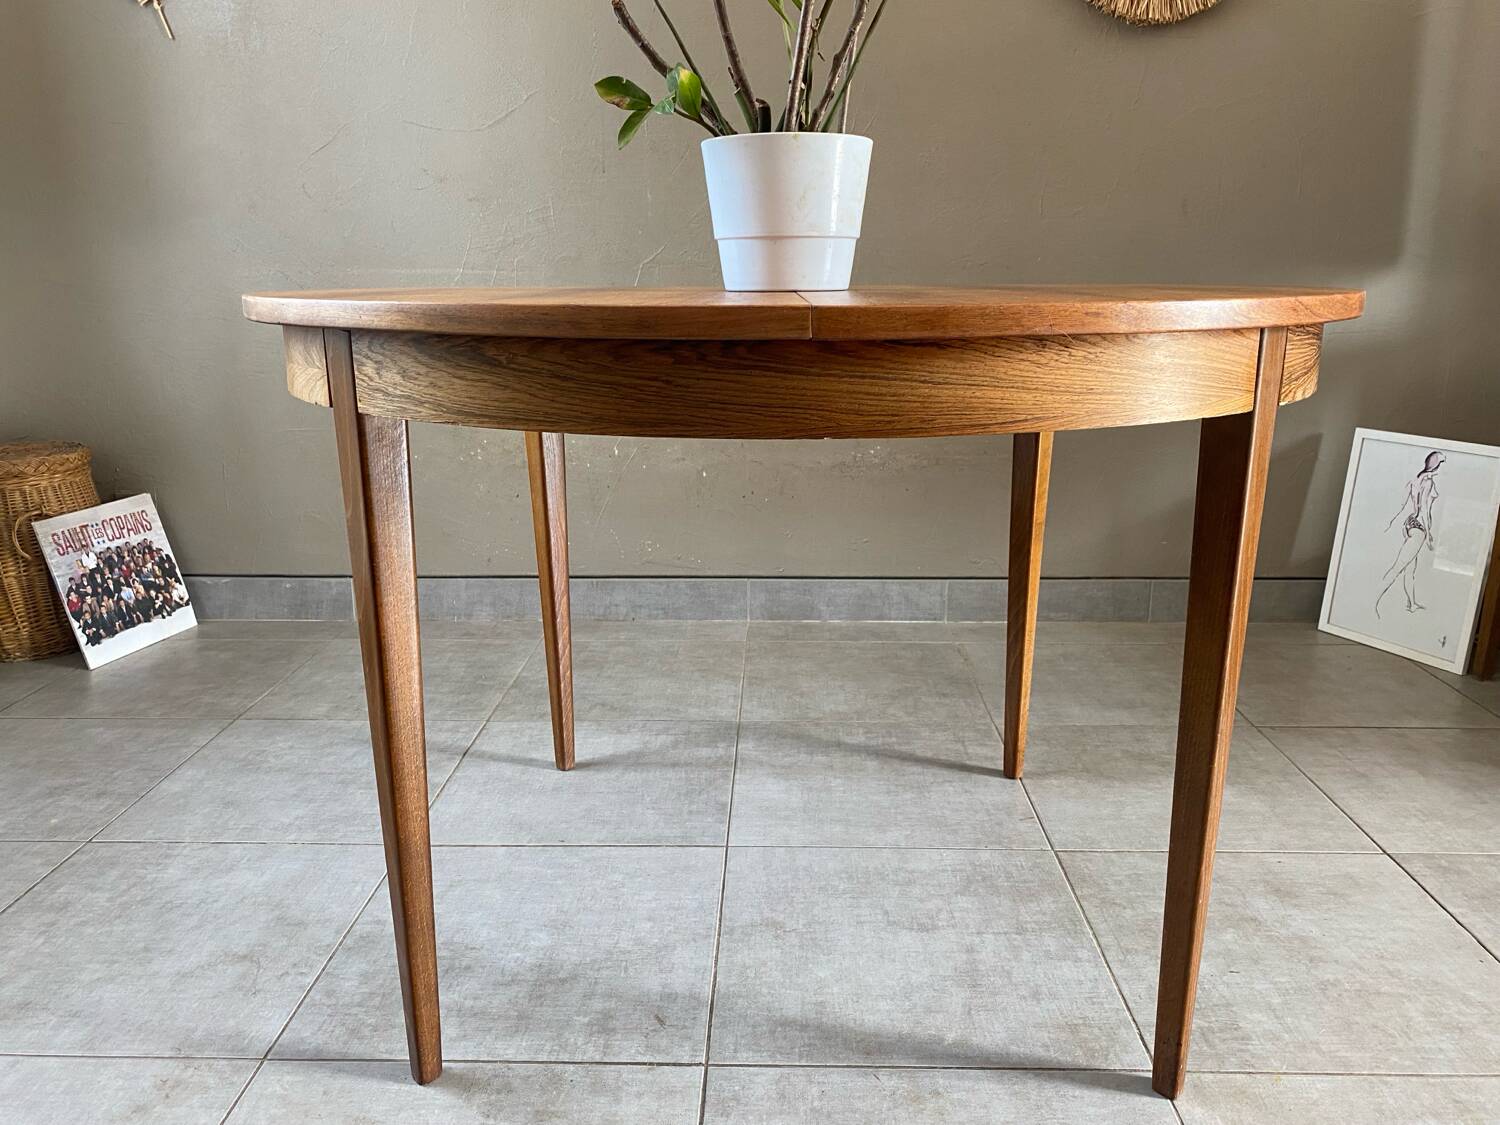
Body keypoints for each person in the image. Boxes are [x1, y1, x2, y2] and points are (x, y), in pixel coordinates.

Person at [1375, 450, 1444, 618]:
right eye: (1442, 463)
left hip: (1410, 524)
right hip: (1419, 527)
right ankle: (1373, 600)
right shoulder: (1428, 483)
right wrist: (1428, 535)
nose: (1442, 467)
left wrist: (1397, 525)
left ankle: (1411, 604)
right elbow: (1426, 511)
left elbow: (1403, 505)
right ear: (1436, 465)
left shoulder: (1415, 480)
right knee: (1398, 567)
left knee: (1409, 569)